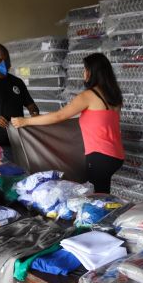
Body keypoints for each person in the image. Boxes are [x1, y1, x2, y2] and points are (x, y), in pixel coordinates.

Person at [11, 53, 124, 193]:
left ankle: (108, 214)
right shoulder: (115, 96)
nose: (84, 72)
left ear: (91, 72)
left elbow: (59, 116)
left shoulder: (89, 96)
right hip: (116, 155)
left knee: (97, 200)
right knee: (103, 194)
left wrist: (25, 121)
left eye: (85, 69)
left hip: (100, 156)